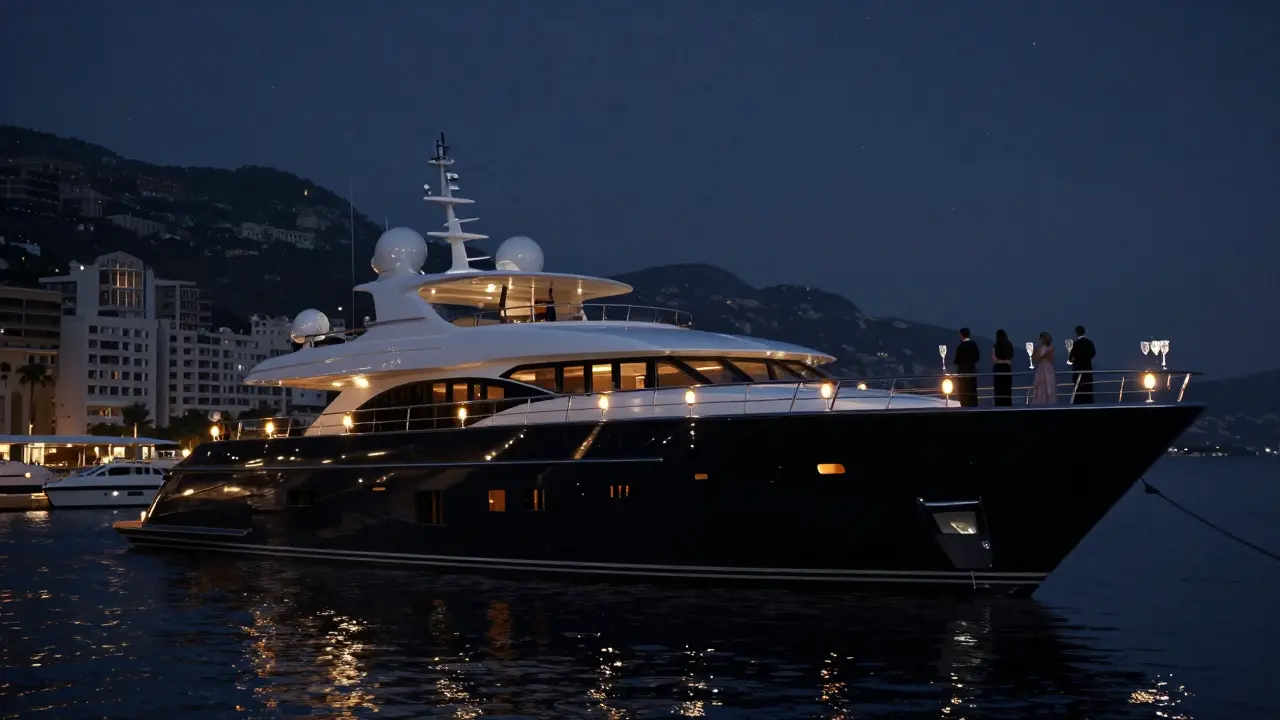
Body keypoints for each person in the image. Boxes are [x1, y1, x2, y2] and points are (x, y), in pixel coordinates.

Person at [1068, 324, 1096, 404]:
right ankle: (1089, 403)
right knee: (1088, 388)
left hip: (1078, 369)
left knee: (1078, 389)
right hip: (1087, 368)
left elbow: (1071, 358)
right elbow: (1093, 353)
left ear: (1076, 333)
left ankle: (1078, 403)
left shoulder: (1076, 344)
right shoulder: (1089, 342)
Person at [952, 327, 980, 407]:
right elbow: (977, 358)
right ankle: (974, 405)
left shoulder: (961, 346)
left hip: (963, 372)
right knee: (972, 390)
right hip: (972, 371)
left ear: (961, 335)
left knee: (963, 390)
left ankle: (964, 405)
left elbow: (957, 360)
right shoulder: (974, 345)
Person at [1030, 331, 1057, 405]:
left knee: (1048, 384)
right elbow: (1035, 360)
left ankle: (1047, 402)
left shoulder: (1050, 348)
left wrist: (1040, 355)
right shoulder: (1039, 348)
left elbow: (1049, 358)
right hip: (1041, 368)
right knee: (1040, 385)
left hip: (1046, 367)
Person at [991, 329, 1014, 406]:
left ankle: (998, 405)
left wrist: (1000, 361)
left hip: (998, 369)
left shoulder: (995, 346)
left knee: (998, 390)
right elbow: (1009, 360)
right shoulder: (1010, 345)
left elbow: (994, 360)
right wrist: (1005, 361)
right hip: (1007, 369)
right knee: (1007, 389)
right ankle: (1008, 405)